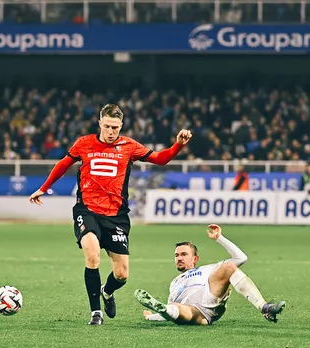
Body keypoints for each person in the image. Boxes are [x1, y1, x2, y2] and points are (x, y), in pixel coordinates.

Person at [29, 103, 192, 325]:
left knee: (122, 275)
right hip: (87, 210)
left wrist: (178, 145)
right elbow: (63, 164)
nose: (111, 131)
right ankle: (96, 312)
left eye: (115, 127)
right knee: (92, 254)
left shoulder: (129, 146)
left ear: (121, 125)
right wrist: (43, 188)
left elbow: (160, 159)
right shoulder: (84, 143)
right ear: (100, 124)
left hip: (116, 216)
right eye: (107, 126)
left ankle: (106, 291)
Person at [134, 224, 286, 325]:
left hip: (211, 296)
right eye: (176, 255)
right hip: (194, 311)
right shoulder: (174, 282)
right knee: (177, 308)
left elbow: (241, 258)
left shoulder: (208, 269)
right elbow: (170, 312)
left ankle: (264, 307)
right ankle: (188, 315)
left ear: (195, 258)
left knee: (228, 266)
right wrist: (151, 316)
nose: (179, 258)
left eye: (184, 254)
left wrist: (219, 238)